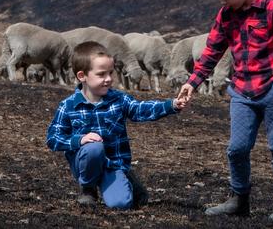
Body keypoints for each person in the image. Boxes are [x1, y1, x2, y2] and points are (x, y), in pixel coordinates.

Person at [178, 0, 273, 221]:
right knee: (237, 148)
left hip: (272, 90)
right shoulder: (226, 15)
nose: (222, 2)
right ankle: (239, 199)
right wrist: (193, 82)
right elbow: (212, 51)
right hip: (242, 92)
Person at [47, 41, 187, 209]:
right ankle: (88, 189)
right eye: (101, 74)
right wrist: (79, 140)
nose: (108, 79)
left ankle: (127, 179)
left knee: (120, 204)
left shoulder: (118, 99)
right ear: (82, 76)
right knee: (93, 148)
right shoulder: (68, 106)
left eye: (110, 73)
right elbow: (53, 138)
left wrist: (170, 105)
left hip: (113, 164)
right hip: (86, 164)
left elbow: (140, 109)